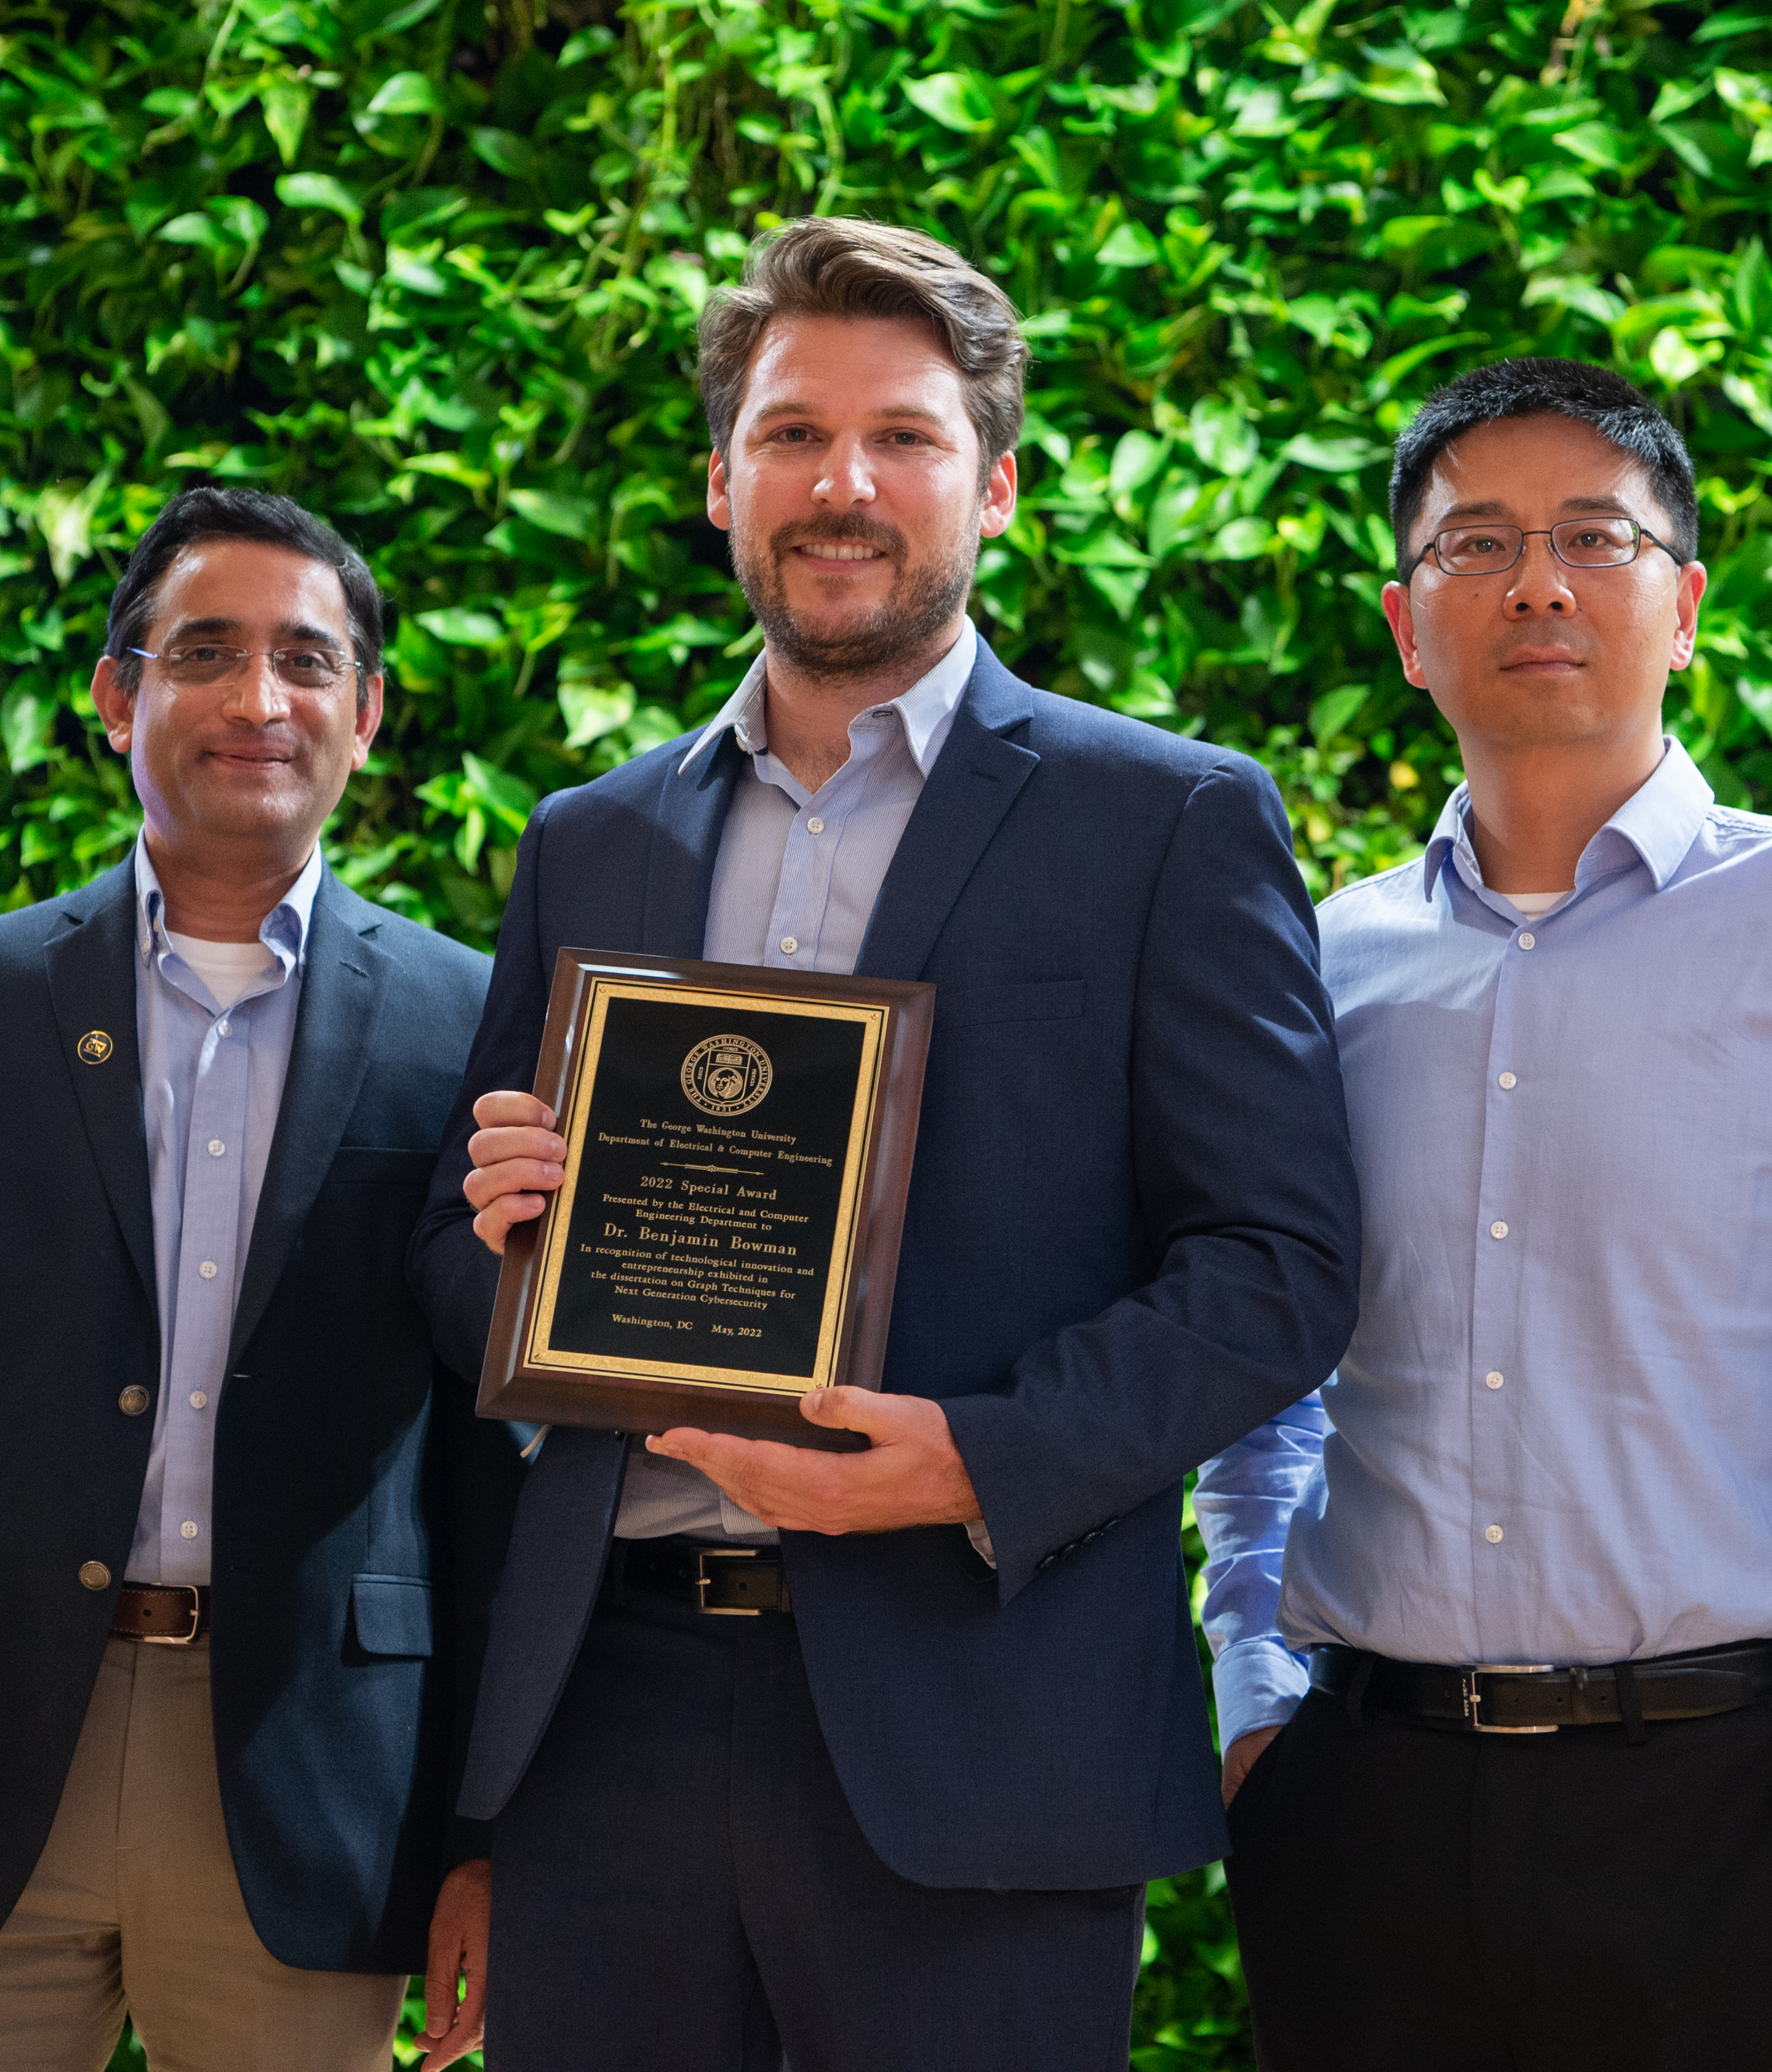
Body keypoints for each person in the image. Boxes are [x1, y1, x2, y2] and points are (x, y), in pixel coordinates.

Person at [407, 215, 1360, 2072]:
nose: (841, 484)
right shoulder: (589, 837)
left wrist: (972, 1462)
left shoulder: (1165, 820)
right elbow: (464, 1285)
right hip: (607, 1722)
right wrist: (500, 1235)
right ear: (718, 482)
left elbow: (1279, 1263)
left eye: (903, 437)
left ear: (994, 486)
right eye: (789, 433)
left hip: (979, 1728)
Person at [1194, 358, 1772, 2070]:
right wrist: (1257, 1697)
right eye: (1474, 543)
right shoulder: (1310, 967)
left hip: (1747, 1801)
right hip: (1362, 1804)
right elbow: (1261, 1375)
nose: (1535, 581)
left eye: (1590, 537)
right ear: (1408, 625)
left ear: (1685, 605)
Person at [0, 487, 522, 2072]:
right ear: (119, 695)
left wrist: (484, 1826)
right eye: (207, 652)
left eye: (308, 661)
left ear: (367, 713)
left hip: (315, 1778)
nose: (260, 700)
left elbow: (494, 1462)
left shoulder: (481, 1029)